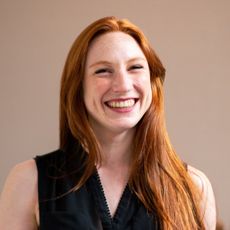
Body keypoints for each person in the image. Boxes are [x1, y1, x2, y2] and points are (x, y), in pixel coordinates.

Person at [0, 16, 216, 229]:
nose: (123, 85)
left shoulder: (193, 188)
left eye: (135, 67)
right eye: (103, 71)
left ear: (152, 81)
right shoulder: (29, 181)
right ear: (78, 87)